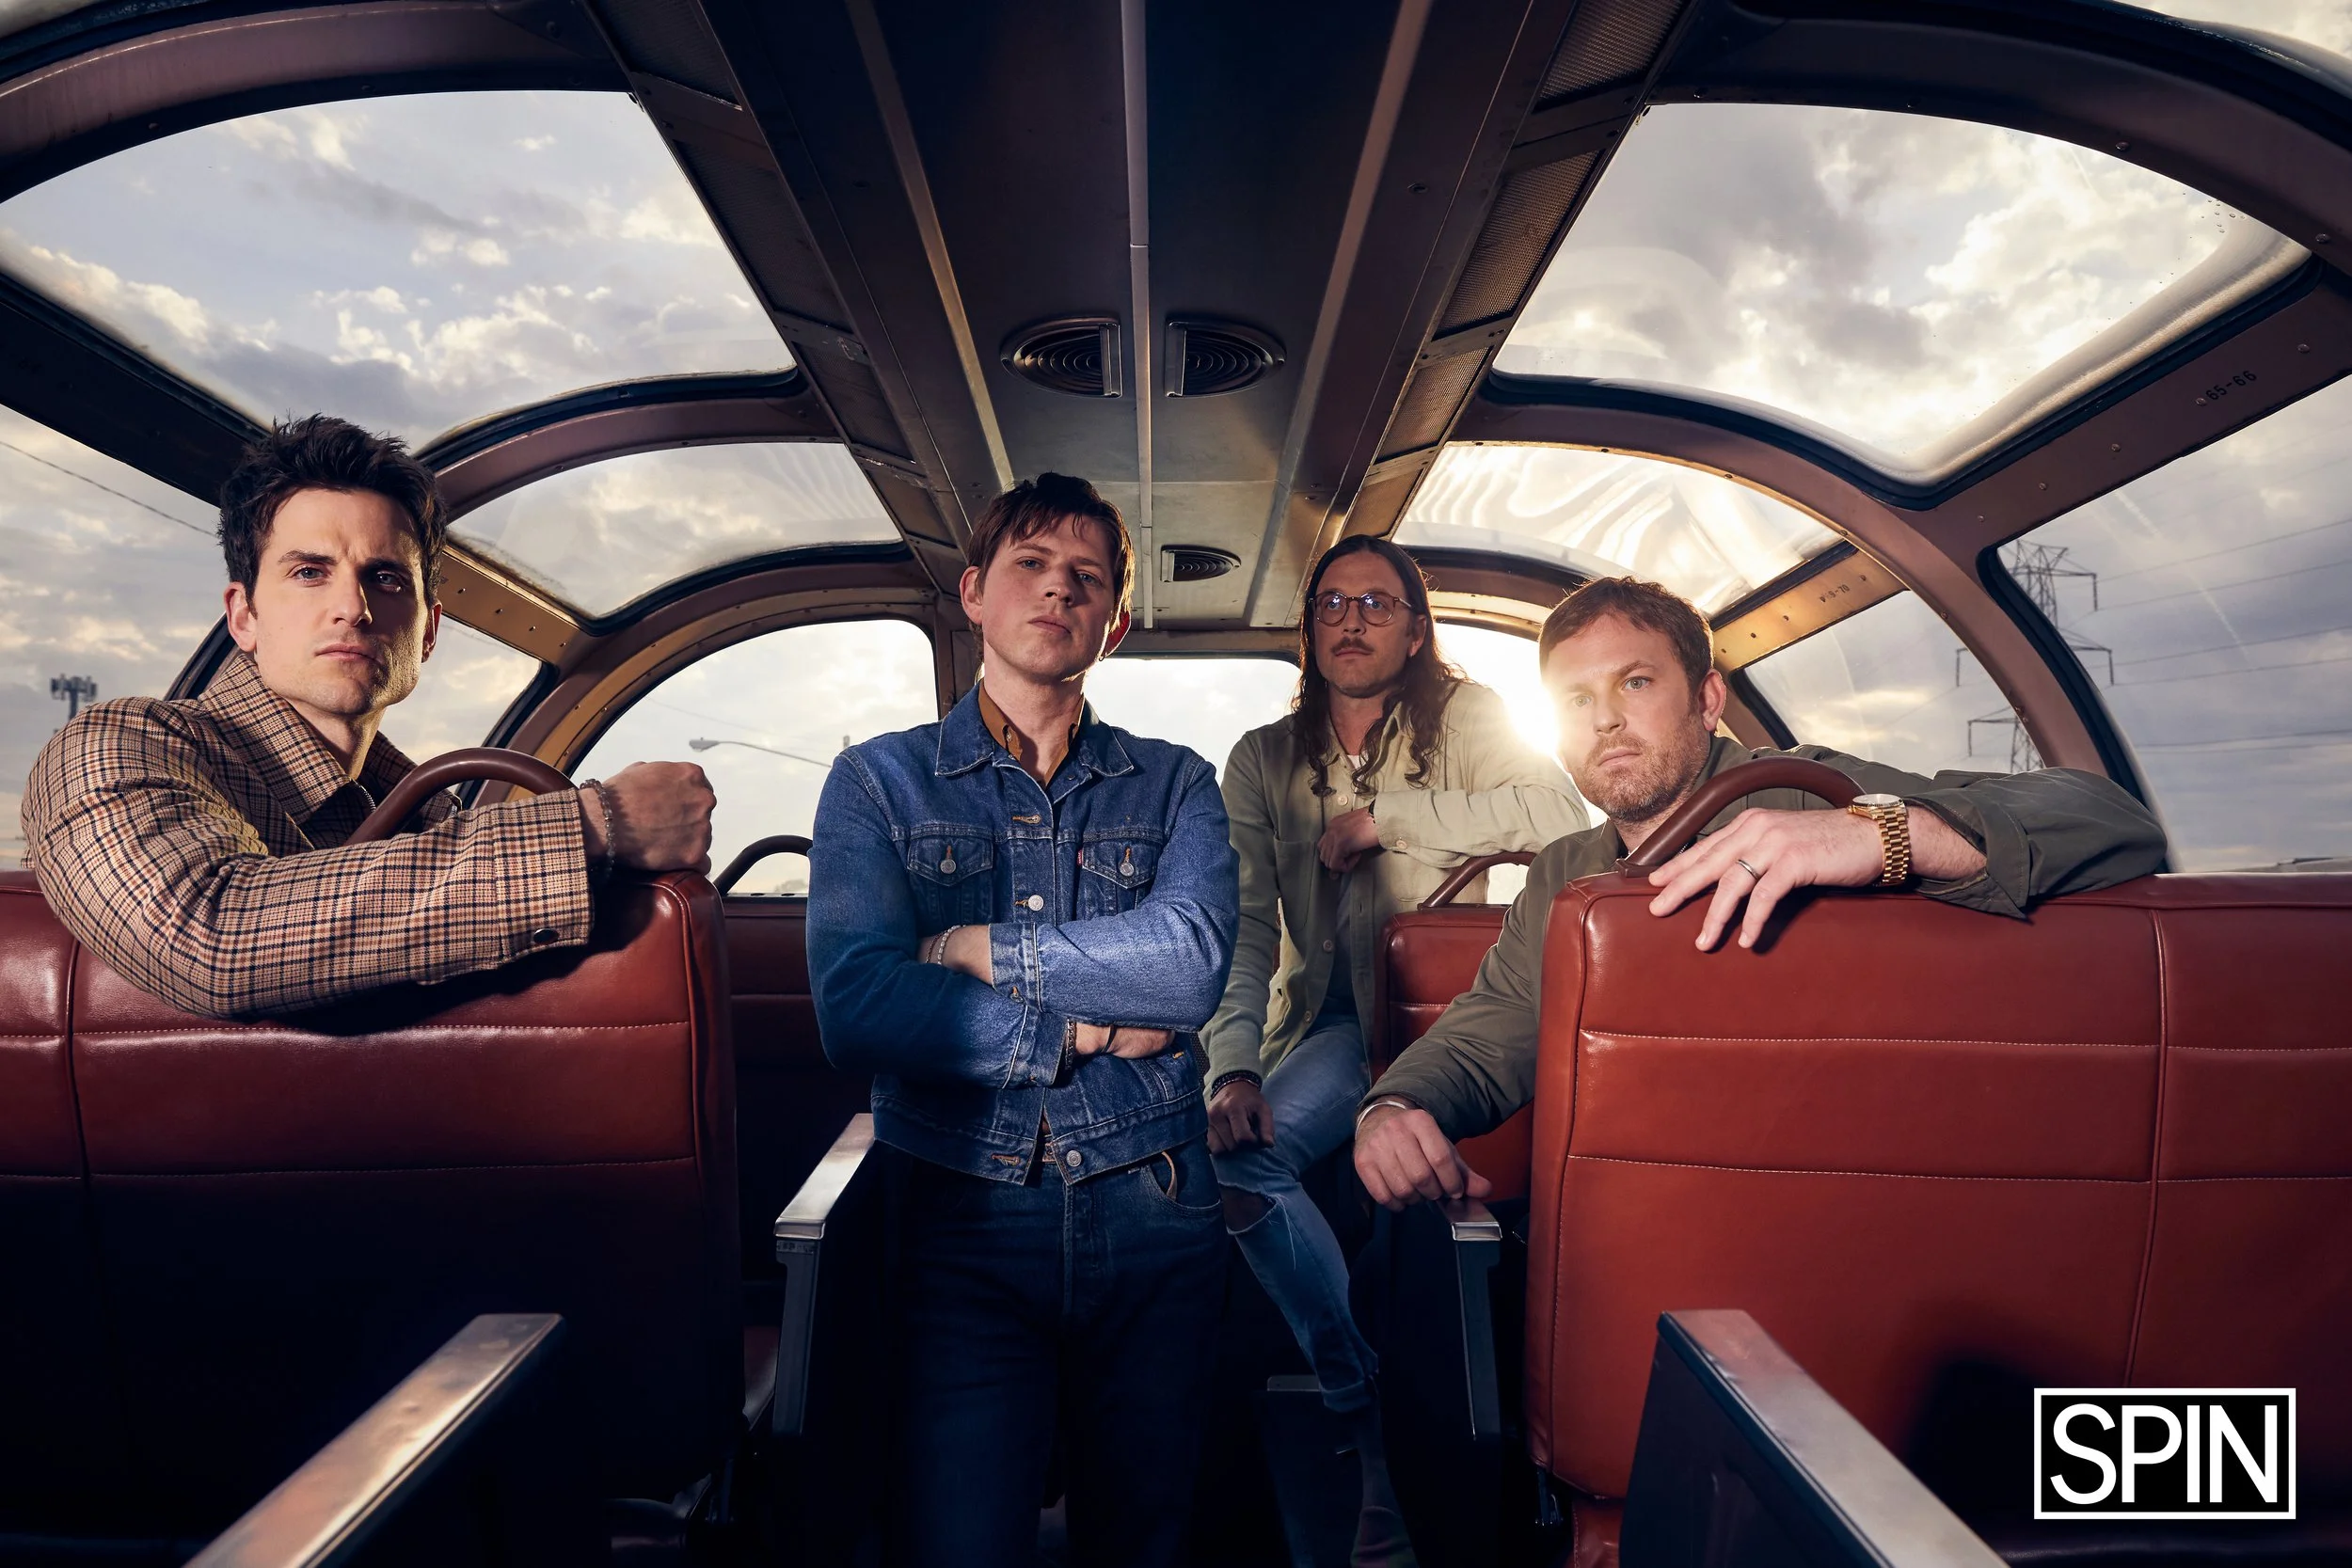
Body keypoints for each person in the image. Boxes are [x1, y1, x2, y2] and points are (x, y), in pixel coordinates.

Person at [1355, 576, 2169, 1210]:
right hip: (1633, 1200)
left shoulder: (1803, 793)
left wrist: (1878, 835)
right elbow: (1490, 1030)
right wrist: (1392, 1106)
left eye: (1635, 683)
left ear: (1708, 700)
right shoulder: (1565, 871)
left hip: (1839, 1191)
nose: (1604, 720)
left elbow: (2108, 816)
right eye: (1576, 699)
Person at [806, 473, 1240, 1568]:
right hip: (956, 1206)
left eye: (1086, 579)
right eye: (1031, 568)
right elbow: (857, 1003)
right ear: (975, 595)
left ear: (1115, 622)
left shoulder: (1179, 783)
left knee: (1148, 1536)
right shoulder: (876, 782)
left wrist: (974, 949)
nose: (1058, 590)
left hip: (1154, 1199)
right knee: (959, 1536)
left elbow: (1186, 966)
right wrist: (1077, 1032)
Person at [19, 415, 714, 1018]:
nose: (352, 606)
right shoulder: (117, 746)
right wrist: (598, 824)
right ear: (244, 615)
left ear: (429, 633)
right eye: (309, 572)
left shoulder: (429, 813)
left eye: (385, 578)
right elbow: (213, 934)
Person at [1202, 536, 1585, 1560]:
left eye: (1378, 601)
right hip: (1327, 1022)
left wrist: (1389, 820)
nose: (1353, 619)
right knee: (1241, 1152)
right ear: (1310, 629)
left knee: (1408, 1225)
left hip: (1449, 1013)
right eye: (1332, 602)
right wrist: (1232, 1060)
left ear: (1415, 627)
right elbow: (1242, 927)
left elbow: (1560, 816)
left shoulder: (1466, 719)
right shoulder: (1261, 758)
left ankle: (1422, 1450)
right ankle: (1353, 1391)